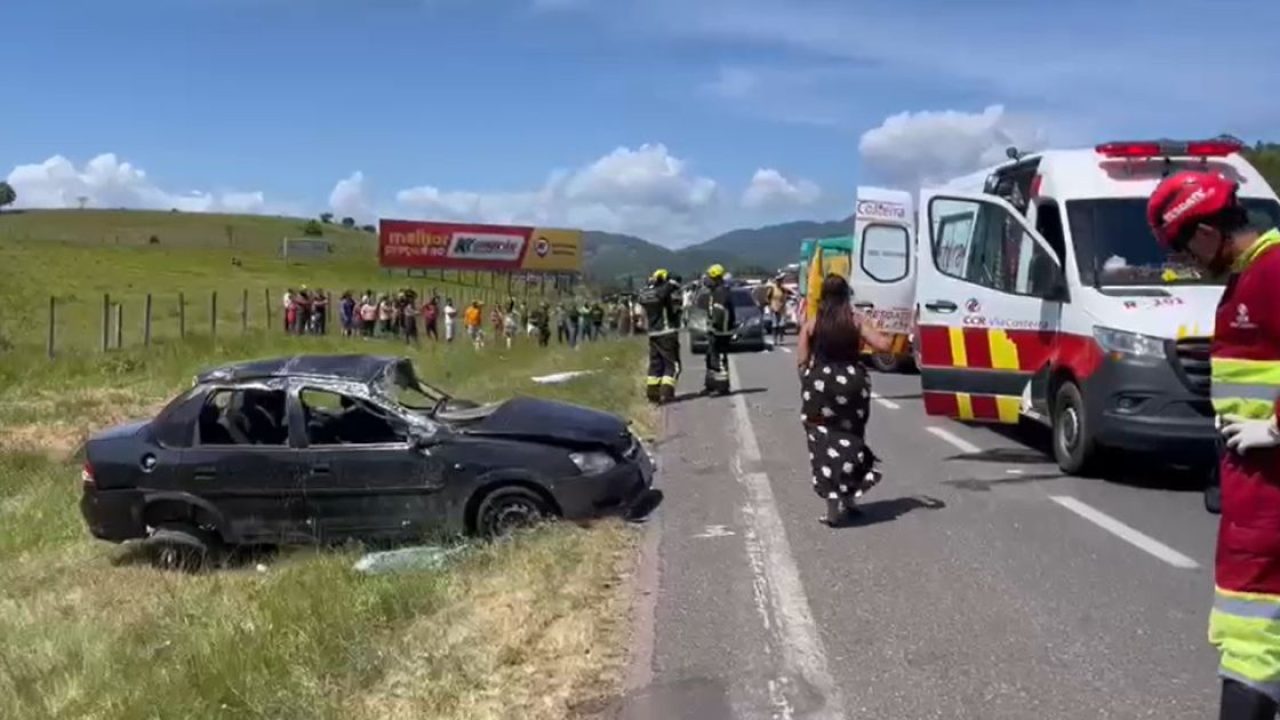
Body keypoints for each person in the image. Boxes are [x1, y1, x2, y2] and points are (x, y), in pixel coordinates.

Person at [1146, 171, 1280, 720]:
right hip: (1252, 492)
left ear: (1205, 233)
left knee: (1253, 640)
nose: (1188, 263)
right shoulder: (1249, 279)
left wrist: (1275, 429)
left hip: (1270, 497)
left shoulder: (1272, 274)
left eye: (1183, 249)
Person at [796, 274, 893, 526]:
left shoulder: (813, 323)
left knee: (822, 441)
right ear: (846, 295)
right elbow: (883, 345)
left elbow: (802, 360)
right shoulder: (856, 320)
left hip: (821, 385)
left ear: (823, 297)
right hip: (853, 384)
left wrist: (808, 382)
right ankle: (850, 499)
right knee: (852, 437)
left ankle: (832, 509)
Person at [638, 268, 682, 404]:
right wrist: (668, 278)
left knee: (655, 365)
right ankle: (666, 393)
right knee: (673, 365)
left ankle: (652, 394)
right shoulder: (663, 291)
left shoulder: (645, 293)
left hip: (653, 334)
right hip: (666, 332)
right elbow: (676, 280)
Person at [702, 264, 736, 396]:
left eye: (709, 277)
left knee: (719, 360)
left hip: (721, 331)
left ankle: (722, 387)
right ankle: (710, 385)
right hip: (714, 331)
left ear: (716, 277)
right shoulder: (714, 291)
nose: (707, 279)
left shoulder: (721, 292)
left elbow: (720, 314)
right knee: (710, 359)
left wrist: (713, 324)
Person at [767, 275, 789, 347]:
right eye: (778, 281)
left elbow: (785, 298)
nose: (779, 282)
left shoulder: (783, 289)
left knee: (781, 325)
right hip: (774, 308)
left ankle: (781, 338)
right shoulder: (772, 289)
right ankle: (774, 339)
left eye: (780, 281)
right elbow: (767, 298)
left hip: (781, 309)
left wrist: (783, 304)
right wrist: (770, 306)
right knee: (775, 325)